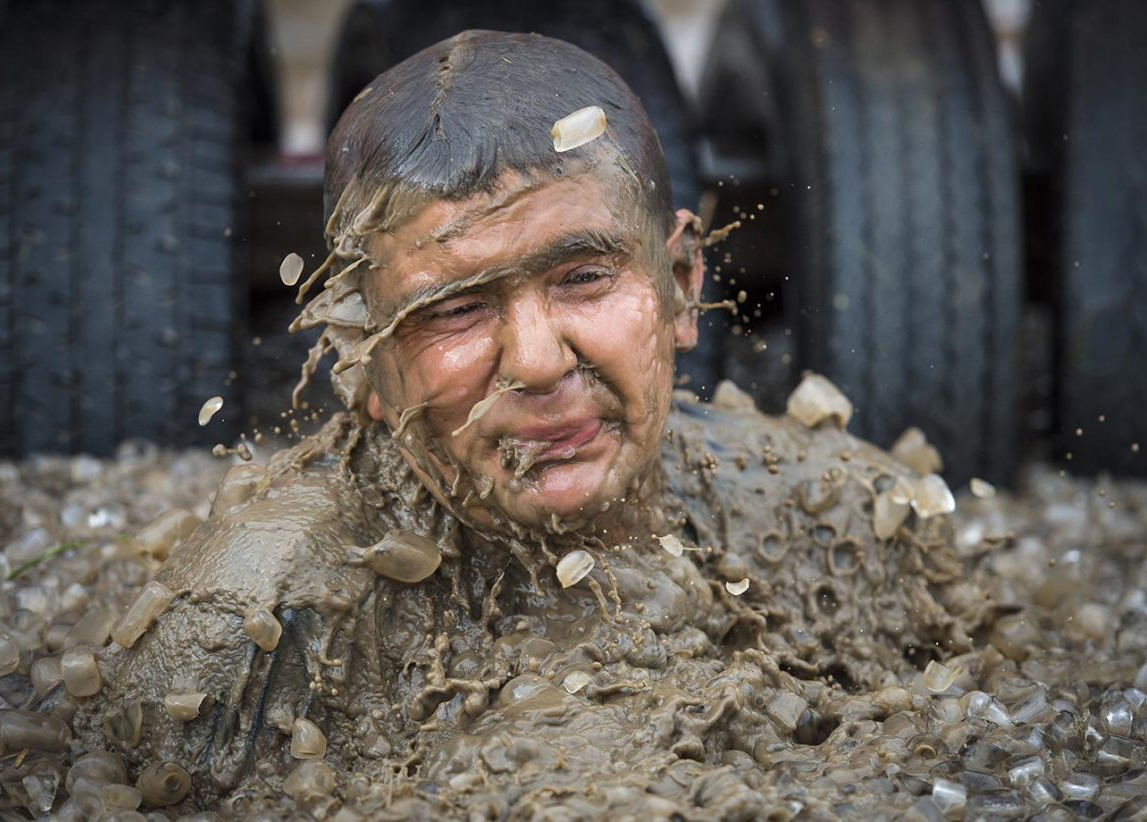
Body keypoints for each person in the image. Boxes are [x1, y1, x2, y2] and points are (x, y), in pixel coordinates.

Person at [83, 30, 981, 814]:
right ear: (362, 359)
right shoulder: (254, 636)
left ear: (680, 285)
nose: (540, 361)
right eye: (453, 310)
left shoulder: (847, 520)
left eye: (583, 277)